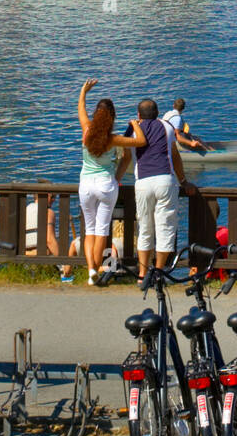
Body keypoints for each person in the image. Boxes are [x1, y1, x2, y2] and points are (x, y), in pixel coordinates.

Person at [77, 79, 146, 285]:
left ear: (96, 115)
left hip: (86, 185)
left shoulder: (86, 131)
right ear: (112, 117)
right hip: (106, 185)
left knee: (89, 230)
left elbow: (80, 108)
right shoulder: (113, 138)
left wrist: (83, 91)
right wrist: (135, 125)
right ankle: (98, 267)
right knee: (101, 231)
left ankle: (91, 270)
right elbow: (141, 141)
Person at [132, 97, 197, 278]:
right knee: (165, 228)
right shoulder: (167, 127)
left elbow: (126, 158)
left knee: (145, 229)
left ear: (138, 115)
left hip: (143, 182)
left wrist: (116, 178)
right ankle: (159, 271)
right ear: (158, 114)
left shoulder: (133, 130)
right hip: (165, 180)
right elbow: (175, 157)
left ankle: (143, 274)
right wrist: (183, 181)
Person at [25, 192, 76, 281]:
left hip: (24, 254)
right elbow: (50, 240)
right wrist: (64, 262)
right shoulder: (48, 212)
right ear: (45, 195)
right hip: (41, 255)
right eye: (52, 197)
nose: (54, 200)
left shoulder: (26, 209)